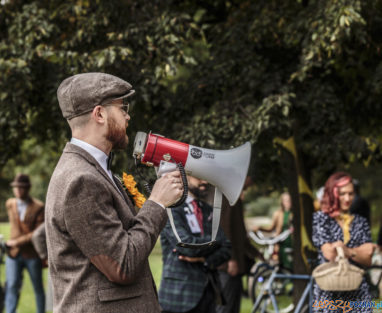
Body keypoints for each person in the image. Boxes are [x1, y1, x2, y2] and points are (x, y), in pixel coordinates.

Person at [45, 72, 183, 313]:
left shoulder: (93, 169)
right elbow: (123, 264)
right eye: (122, 108)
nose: (128, 116)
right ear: (99, 114)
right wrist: (157, 203)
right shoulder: (82, 180)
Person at [158, 175, 231, 313]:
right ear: (184, 176)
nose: (205, 181)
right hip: (179, 296)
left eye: (206, 177)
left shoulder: (208, 210)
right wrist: (217, 241)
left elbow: (227, 248)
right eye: (199, 177)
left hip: (209, 294)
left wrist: (205, 259)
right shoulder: (170, 209)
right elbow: (186, 246)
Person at [312, 172, 376, 312]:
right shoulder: (321, 219)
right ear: (332, 194)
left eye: (351, 193)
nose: (347, 198)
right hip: (329, 294)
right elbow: (329, 254)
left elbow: (368, 258)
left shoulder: (360, 222)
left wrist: (346, 250)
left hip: (358, 293)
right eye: (342, 194)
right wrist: (357, 252)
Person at [216, 178, 261, 313]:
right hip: (227, 265)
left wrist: (256, 254)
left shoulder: (234, 197)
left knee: (233, 306)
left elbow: (239, 234)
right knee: (225, 307)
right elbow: (225, 230)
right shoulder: (228, 197)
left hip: (233, 264)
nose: (251, 180)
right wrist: (231, 259)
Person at [5, 174, 45, 313]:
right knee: (12, 285)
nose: (18, 190)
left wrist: (16, 241)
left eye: (21, 188)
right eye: (16, 187)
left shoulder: (39, 207)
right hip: (13, 253)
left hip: (32, 254)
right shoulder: (10, 204)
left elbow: (36, 234)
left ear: (27, 188)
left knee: (37, 287)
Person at [254, 192, 293, 268]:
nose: (288, 202)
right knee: (280, 265)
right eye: (286, 200)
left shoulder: (294, 213)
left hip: (292, 243)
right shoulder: (278, 213)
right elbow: (271, 228)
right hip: (281, 243)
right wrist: (260, 228)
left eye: (289, 200)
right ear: (282, 202)